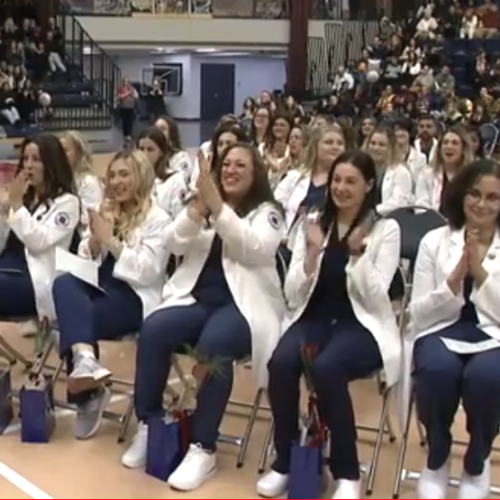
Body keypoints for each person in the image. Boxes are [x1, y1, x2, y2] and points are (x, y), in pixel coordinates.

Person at [121, 143, 285, 492]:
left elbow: (252, 248)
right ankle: (151, 423)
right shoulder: (204, 205)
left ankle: (203, 446)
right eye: (226, 164)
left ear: (255, 174)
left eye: (241, 165)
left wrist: (218, 207)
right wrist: (197, 211)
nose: (231, 170)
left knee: (214, 345)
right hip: (197, 300)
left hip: (245, 307)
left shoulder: (268, 212)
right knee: (154, 329)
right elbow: (173, 244)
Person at [258, 150, 402, 500]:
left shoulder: (386, 230)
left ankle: (347, 471)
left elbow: (377, 296)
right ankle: (287, 459)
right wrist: (309, 254)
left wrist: (356, 256)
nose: (341, 187)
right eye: (337, 179)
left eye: (351, 181)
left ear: (369, 185)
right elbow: (292, 293)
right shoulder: (314, 221)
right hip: (314, 317)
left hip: (361, 325)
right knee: (280, 363)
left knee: (328, 367)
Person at [51, 150, 170, 441]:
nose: (116, 181)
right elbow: (86, 259)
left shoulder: (159, 219)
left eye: (124, 174)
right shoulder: (108, 211)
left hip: (133, 297)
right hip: (100, 286)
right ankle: (86, 361)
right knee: (64, 283)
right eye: (112, 175)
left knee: (73, 319)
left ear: (140, 176)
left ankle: (88, 394)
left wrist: (111, 241)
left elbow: (148, 272)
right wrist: (92, 241)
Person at [408, 159, 500, 499]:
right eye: (475, 194)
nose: (482, 204)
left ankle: (477, 461)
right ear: (461, 195)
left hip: (493, 334)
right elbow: (418, 313)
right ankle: (437, 456)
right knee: (436, 370)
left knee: (487, 377)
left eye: (494, 197)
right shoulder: (435, 241)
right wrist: (457, 276)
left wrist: (481, 271)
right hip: (441, 329)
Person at [0, 133, 79, 325]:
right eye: (25, 159)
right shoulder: (23, 197)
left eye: (36, 159)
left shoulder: (67, 203)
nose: (28, 165)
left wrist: (16, 207)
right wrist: (3, 214)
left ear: (51, 163)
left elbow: (38, 242)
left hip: (31, 281)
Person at [274, 125, 352, 251]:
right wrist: (281, 236)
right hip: (284, 246)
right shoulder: (294, 178)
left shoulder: (348, 185)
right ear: (315, 147)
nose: (335, 147)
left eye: (340, 143)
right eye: (329, 142)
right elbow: (274, 208)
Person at [415, 125, 474, 213]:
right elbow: (421, 205)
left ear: (463, 149)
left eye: (455, 143)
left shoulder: (473, 176)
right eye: (445, 143)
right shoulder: (427, 173)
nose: (449, 147)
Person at [137, 126, 188, 219]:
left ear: (161, 152)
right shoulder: (132, 179)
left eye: (150, 149)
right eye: (141, 149)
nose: (144, 154)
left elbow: (179, 217)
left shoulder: (175, 179)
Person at [59, 130, 103, 230]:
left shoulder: (88, 182)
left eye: (65, 151)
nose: (60, 155)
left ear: (79, 153)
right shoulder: (57, 181)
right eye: (58, 151)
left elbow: (89, 218)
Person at [364, 125, 413, 215]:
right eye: (373, 143)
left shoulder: (401, 172)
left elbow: (399, 203)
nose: (376, 148)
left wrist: (373, 212)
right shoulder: (361, 168)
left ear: (391, 147)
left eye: (381, 145)